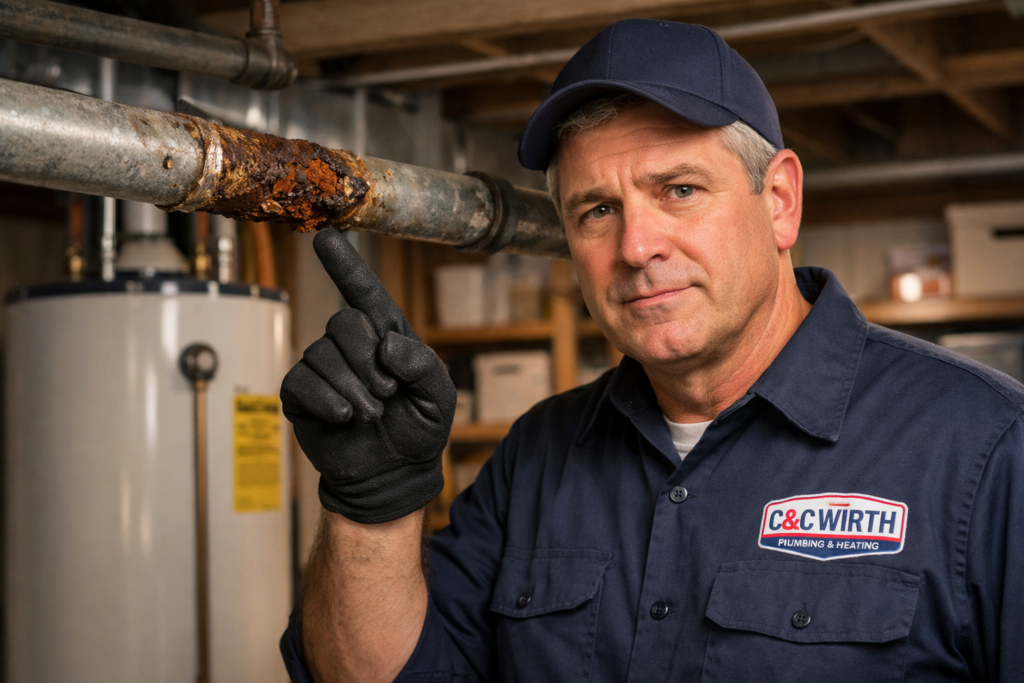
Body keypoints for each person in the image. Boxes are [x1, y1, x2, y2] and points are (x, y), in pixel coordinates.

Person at [279, 19, 1024, 683]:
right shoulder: (537, 456)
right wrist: (371, 509)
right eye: (598, 210)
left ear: (780, 201)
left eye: (679, 190)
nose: (636, 247)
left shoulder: (985, 451)